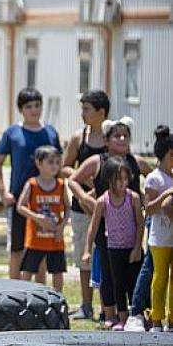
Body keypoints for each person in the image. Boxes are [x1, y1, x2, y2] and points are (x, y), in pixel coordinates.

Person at [69, 117, 150, 328]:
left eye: (125, 135)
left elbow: (154, 178)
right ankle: (110, 315)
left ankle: (137, 314)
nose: (122, 139)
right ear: (106, 140)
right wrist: (84, 198)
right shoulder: (97, 161)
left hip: (131, 231)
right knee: (108, 273)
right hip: (106, 229)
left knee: (133, 273)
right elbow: (72, 180)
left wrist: (148, 199)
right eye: (116, 135)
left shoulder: (136, 162)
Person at [0, 88, 61, 280]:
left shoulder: (50, 132)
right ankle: (13, 292)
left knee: (42, 249)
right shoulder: (12, 133)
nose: (34, 110)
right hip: (19, 200)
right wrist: (3, 192)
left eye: (37, 105)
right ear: (21, 109)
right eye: (29, 106)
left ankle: (39, 294)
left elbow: (60, 164)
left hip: (46, 199)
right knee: (17, 248)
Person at [62, 89, 109, 320]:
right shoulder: (78, 138)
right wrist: (84, 175)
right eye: (82, 108)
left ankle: (107, 306)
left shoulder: (112, 137)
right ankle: (86, 305)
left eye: (87, 109)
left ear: (101, 112)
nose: (83, 113)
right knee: (84, 254)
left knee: (107, 254)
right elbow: (64, 167)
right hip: (82, 205)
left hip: (109, 208)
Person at [83, 156, 144, 331]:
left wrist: (137, 247)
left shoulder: (133, 198)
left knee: (134, 283)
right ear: (109, 179)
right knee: (118, 284)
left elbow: (140, 223)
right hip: (114, 248)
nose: (123, 183)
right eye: (118, 179)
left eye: (126, 179)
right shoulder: (103, 201)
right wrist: (87, 250)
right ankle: (122, 318)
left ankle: (137, 316)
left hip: (132, 248)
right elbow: (93, 227)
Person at [16, 146, 69, 293]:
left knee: (57, 271)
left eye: (57, 162)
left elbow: (68, 208)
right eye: (50, 162)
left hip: (55, 240)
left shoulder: (61, 185)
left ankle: (58, 299)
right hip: (35, 239)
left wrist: (61, 227)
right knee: (28, 270)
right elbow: (20, 206)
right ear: (39, 163)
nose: (55, 166)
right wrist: (36, 217)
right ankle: (22, 297)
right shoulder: (32, 184)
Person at [143, 126, 173, 332]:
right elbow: (149, 209)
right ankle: (156, 319)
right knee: (160, 278)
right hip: (160, 238)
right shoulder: (154, 178)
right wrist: (165, 195)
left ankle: (171, 319)